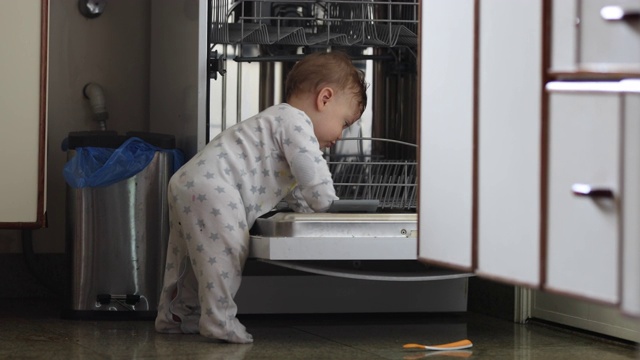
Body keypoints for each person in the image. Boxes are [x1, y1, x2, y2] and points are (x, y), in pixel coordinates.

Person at [155, 51, 368, 343]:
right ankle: (220, 320)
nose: (340, 137)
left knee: (193, 258)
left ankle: (176, 315)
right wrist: (328, 205)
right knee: (225, 254)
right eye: (344, 123)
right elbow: (311, 172)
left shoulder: (279, 122)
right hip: (215, 187)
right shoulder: (295, 121)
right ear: (325, 98)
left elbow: (295, 193)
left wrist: (309, 218)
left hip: (191, 182)